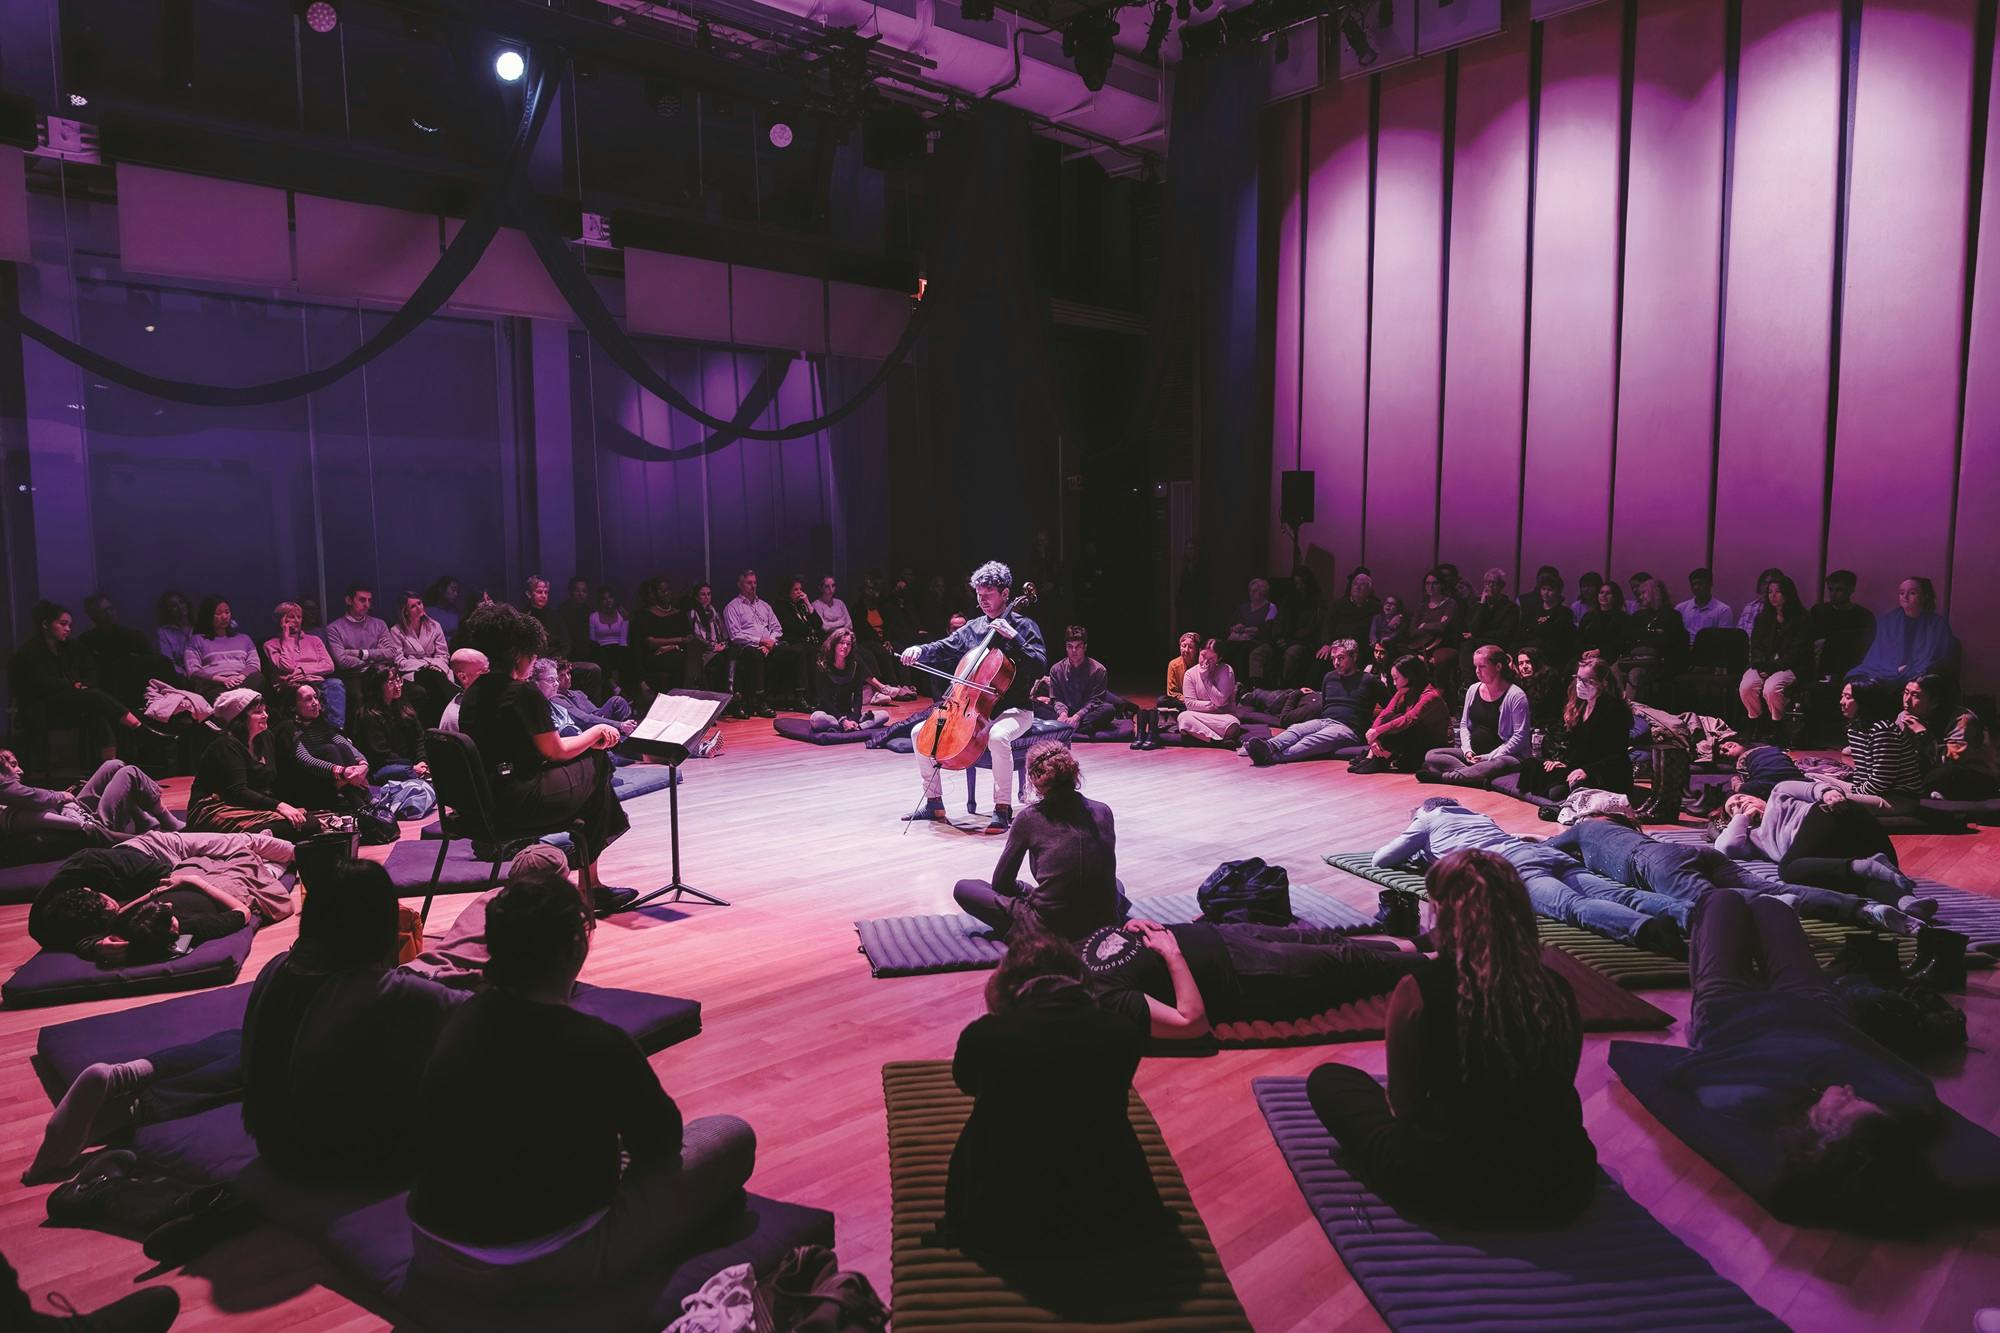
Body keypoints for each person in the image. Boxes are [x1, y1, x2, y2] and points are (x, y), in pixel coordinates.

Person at [408, 870, 755, 1289]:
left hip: (431, 1247)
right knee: (730, 1134)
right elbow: (662, 1146)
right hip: (542, 1261)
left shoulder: (459, 1017)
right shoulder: (597, 1043)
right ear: (576, 945)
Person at [1306, 850, 1597, 1227]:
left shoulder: (1421, 988)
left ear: (1444, 912)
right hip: (1560, 1190)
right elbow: (1561, 1086)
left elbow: (1405, 1107)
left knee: (1329, 1081)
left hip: (1448, 1188)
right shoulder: (1557, 990)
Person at [1661, 890, 1945, 1232]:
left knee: (1721, 901)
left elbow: (1696, 1071)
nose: (1852, 1089)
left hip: (1730, 1013)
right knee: (1772, 907)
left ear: (1823, 1136)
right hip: (1812, 1008)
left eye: (1848, 1103)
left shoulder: (1752, 1099)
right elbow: (1916, 1093)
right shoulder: (1902, 1105)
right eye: (1864, 1099)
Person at [943, 927, 1174, 1256]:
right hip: (1105, 1208)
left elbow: (966, 1083)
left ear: (1006, 985)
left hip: (1000, 1211)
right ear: (1079, 978)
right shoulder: (1121, 1032)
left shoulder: (985, 1035)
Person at [242, 857, 467, 1188]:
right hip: (348, 1165)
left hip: (272, 1148)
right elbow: (485, 1017)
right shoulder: (383, 991)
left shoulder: (275, 967)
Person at [456, 603, 632, 913]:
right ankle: (591, 887)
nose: (534, 660)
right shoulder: (522, 693)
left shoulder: (473, 692)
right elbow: (556, 750)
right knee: (598, 764)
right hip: (518, 803)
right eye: (533, 655)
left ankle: (592, 885)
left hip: (482, 804)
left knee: (591, 778)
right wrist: (597, 732)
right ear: (517, 654)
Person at [1376, 797, 1686, 953]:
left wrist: (1420, 853)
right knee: (1620, 894)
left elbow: (1382, 858)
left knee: (1572, 906)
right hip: (1545, 854)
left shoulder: (1426, 819)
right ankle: (1692, 915)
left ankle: (1647, 930)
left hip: (1516, 866)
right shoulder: (1478, 816)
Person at [1550, 812, 1919, 936]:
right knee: (1767, 883)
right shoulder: (1626, 830)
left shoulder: (1583, 829)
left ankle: (1772, 906)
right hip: (1689, 851)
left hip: (1652, 864)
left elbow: (1548, 848)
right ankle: (1864, 910)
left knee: (1713, 903)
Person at [1077, 914, 1420, 1041]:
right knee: (1345, 961)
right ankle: (1440, 962)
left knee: (1327, 940)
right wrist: (1171, 954)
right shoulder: (1100, 997)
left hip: (1224, 936)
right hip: (1244, 974)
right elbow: (1189, 1022)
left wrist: (1129, 926)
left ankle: (1416, 946)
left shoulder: (1068, 950)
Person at [900, 561, 1048, 831]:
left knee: (997, 735)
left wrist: (1014, 638)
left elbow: (1040, 664)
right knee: (918, 733)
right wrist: (919, 650)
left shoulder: (1025, 626)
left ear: (1005, 593)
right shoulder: (975, 627)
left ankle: (1002, 808)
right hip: (972, 709)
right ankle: (934, 803)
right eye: (979, 596)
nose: (982, 601)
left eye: (988, 595)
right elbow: (946, 646)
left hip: (1014, 710)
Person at [29, 826, 294, 957]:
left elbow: (170, 878)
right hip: (189, 883)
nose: (116, 910)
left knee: (242, 843)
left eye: (111, 904)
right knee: (245, 867)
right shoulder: (51, 923)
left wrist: (193, 880)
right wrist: (96, 947)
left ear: (92, 889)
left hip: (161, 851)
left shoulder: (101, 863)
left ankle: (303, 853)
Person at [953, 742, 1123, 940]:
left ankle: (1040, 909)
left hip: (1050, 927)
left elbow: (1001, 884)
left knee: (964, 888)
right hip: (1103, 921)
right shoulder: (1103, 811)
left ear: (1034, 780)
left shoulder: (1029, 818)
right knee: (1115, 884)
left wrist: (1024, 891)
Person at [1714, 783, 1928, 906]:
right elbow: (1726, 848)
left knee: (1787, 870)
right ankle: (1905, 902)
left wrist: (1828, 793)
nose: (1740, 803)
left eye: (1741, 798)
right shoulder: (1752, 837)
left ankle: (1867, 866)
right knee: (1849, 878)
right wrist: (1741, 818)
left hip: (1835, 815)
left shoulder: (1777, 794)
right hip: (1833, 849)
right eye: (1734, 807)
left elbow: (1812, 789)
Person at [7, 601, 145, 757]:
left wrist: (83, 685)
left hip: (71, 702)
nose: (68, 629)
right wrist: (74, 686)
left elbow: (92, 671)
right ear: (45, 624)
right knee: (94, 697)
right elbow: (43, 683)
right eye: (63, 624)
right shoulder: (29, 652)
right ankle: (138, 726)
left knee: (97, 712)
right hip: (43, 706)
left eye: (69, 625)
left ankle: (110, 766)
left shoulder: (73, 647)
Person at [187, 689, 313, 837]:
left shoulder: (266, 738)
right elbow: (238, 791)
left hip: (247, 805)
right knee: (294, 827)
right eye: (258, 712)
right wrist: (279, 806)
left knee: (308, 822)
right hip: (215, 807)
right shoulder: (226, 745)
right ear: (239, 718)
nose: (265, 715)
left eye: (265, 710)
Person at [1244, 639, 1383, 766]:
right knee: (1296, 729)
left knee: (1311, 740)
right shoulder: (1329, 677)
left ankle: (1272, 758)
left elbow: (1390, 706)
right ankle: (1268, 746)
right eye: (1333, 659)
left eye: (1341, 658)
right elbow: (1325, 704)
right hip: (1324, 721)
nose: (1336, 663)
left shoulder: (1369, 680)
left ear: (1354, 657)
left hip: (1348, 729)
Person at [0, 749, 178, 845]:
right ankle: (167, 820)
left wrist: (65, 801)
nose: (20, 771)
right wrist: (62, 798)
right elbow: (75, 824)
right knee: (129, 773)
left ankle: (144, 819)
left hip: (79, 813)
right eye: (14, 765)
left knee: (113, 765)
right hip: (95, 826)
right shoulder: (14, 809)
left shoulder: (12, 803)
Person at [1419, 644, 1530, 786]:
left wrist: (1489, 756)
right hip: (1475, 756)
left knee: (1498, 764)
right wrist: (1467, 751)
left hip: (1504, 756)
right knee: (1432, 755)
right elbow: (1464, 724)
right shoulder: (1473, 689)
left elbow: (1519, 737)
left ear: (1498, 666)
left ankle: (1446, 778)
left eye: (1482, 666)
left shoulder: (1515, 695)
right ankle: (1473, 775)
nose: (1477, 671)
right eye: (1475, 666)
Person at [1529, 657, 1632, 801]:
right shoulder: (1579, 704)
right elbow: (1569, 740)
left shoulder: (1615, 710)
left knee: (1557, 792)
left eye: (1588, 681)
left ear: (1603, 683)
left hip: (1604, 770)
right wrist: (1559, 759)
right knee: (1532, 769)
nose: (1580, 684)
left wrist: (1587, 771)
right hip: (1579, 765)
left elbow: (1616, 754)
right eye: (1578, 678)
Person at [270, 681, 373, 812]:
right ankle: (359, 802)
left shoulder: (320, 722)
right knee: (329, 749)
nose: (315, 703)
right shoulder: (286, 728)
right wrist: (342, 772)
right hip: (301, 787)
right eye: (308, 699)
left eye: (315, 697)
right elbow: (305, 760)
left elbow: (344, 743)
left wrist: (363, 765)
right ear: (292, 707)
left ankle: (360, 799)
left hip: (330, 780)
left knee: (342, 747)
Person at [1901, 675, 1999, 800]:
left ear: (1934, 702)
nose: (1907, 700)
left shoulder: (1962, 720)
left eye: (1916, 696)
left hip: (1972, 776)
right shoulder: (1905, 716)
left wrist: (1923, 734)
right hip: (1933, 771)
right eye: (1906, 693)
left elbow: (1952, 760)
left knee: (1944, 774)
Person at [1739, 574, 1812, 739]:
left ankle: (1777, 726)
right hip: (1763, 664)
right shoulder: (1763, 617)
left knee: (1772, 688)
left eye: (1778, 592)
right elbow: (1755, 645)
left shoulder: (1801, 618)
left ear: (1788, 593)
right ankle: (1755, 722)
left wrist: (1774, 667)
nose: (1773, 595)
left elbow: (1798, 651)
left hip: (1791, 666)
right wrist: (1761, 665)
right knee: (1747, 686)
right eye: (1770, 592)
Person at [1350, 655, 1450, 774]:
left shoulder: (1430, 696)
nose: (1393, 682)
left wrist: (1377, 731)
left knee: (1404, 723)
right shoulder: (1403, 691)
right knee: (1390, 717)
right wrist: (1374, 733)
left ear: (1409, 677)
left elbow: (1409, 719)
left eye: (1396, 678)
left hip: (1433, 745)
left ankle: (1381, 759)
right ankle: (1372, 756)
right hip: (1414, 742)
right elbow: (1385, 712)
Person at [1849, 576, 1956, 686]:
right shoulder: (1888, 621)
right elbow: (1878, 654)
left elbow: (1936, 659)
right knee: (1857, 675)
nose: (1905, 597)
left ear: (1925, 596)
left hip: (1919, 673)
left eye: (1912, 593)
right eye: (1901, 593)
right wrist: (1895, 669)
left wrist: (1908, 669)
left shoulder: (1937, 625)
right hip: (1888, 670)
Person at [1834, 681, 1924, 807]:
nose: (1841, 702)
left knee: (1831, 800)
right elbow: (1862, 773)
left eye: (1848, 697)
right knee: (1812, 779)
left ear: (1863, 702)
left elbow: (1882, 780)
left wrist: (1855, 793)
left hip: (1898, 796)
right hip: (1871, 791)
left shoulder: (1882, 730)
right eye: (1842, 696)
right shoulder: (1854, 730)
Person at [78, 591, 170, 709]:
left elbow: (152, 662)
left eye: (110, 609)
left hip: (139, 688)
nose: (109, 613)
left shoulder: (133, 635)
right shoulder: (86, 641)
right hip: (110, 691)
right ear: (93, 616)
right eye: (103, 611)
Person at [722, 569, 793, 718]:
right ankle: (760, 701)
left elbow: (777, 628)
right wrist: (760, 641)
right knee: (755, 655)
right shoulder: (733, 607)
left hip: (768, 646)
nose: (753, 586)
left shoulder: (764, 606)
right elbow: (735, 635)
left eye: (755, 582)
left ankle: (795, 697)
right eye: (749, 583)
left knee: (788, 652)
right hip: (745, 648)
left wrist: (770, 643)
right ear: (740, 585)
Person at [265, 600, 346, 729]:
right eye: (291, 617)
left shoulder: (314, 640)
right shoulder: (271, 645)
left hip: (316, 682)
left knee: (335, 684)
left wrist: (302, 670)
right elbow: (287, 667)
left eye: (299, 617)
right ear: (281, 620)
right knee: (304, 692)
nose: (296, 620)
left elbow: (329, 665)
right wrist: (287, 638)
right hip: (290, 686)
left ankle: (335, 730)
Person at [349, 667, 430, 783]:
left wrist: (422, 761)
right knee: (406, 772)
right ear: (377, 687)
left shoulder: (402, 705)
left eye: (398, 679)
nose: (397, 685)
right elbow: (380, 755)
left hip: (411, 764)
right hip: (384, 767)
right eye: (391, 682)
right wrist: (412, 767)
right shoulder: (367, 716)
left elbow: (419, 738)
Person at [1034, 625, 1117, 736]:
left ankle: (1065, 727)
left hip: (1086, 713)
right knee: (1035, 706)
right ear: (1066, 647)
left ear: (1085, 647)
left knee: (1109, 710)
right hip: (1066, 711)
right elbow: (1056, 698)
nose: (1074, 650)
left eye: (1078, 647)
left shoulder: (1099, 670)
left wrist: (1077, 716)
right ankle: (1081, 727)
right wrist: (1063, 714)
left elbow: (1095, 701)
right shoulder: (1056, 669)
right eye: (1070, 646)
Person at [387, 591, 455, 726]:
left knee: (435, 677)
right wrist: (425, 665)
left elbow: (443, 654)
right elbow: (399, 661)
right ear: (405, 611)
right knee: (432, 675)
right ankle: (456, 700)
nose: (419, 607)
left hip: (438, 669)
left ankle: (440, 724)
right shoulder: (396, 631)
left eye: (420, 603)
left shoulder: (435, 626)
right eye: (413, 606)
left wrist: (434, 665)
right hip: (413, 672)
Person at [809, 628, 892, 733]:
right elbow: (825, 700)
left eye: (848, 644)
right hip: (830, 714)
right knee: (817, 719)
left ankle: (854, 726)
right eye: (842, 643)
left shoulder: (855, 665)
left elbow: (858, 697)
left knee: (884, 715)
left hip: (849, 714)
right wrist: (842, 721)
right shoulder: (823, 665)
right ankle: (850, 726)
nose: (845, 646)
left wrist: (853, 719)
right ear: (834, 644)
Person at [631, 576, 695, 695]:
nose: (666, 593)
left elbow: (689, 636)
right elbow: (651, 642)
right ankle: (673, 697)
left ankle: (689, 694)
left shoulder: (678, 614)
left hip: (677, 651)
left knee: (687, 656)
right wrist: (678, 640)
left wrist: (672, 646)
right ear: (655, 594)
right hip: (656, 655)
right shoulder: (646, 615)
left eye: (668, 590)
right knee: (677, 659)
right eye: (662, 591)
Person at [1811, 570, 1875, 685]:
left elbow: (1865, 649)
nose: (1833, 594)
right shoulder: (1819, 611)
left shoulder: (1863, 616)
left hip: (1850, 668)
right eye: (1830, 589)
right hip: (1821, 666)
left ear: (1851, 590)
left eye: (1839, 590)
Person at [1174, 638, 1242, 745]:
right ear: (1199, 651)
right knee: (1183, 717)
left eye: (1211, 659)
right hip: (1199, 716)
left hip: (1223, 718)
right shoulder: (1190, 674)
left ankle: (1202, 737)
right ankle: (1216, 742)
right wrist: (1213, 705)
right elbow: (1190, 705)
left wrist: (1206, 679)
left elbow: (1219, 701)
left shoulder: (1226, 670)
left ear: (1219, 659)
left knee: (1232, 724)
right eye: (1203, 656)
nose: (1205, 661)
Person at [1408, 569, 1465, 691]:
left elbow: (1442, 627)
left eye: (1435, 583)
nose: (1431, 587)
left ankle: (1441, 697)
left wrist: (1424, 626)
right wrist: (1434, 626)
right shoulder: (1422, 606)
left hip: (1445, 644)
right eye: (1428, 584)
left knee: (1441, 659)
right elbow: (1412, 631)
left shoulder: (1450, 603)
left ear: (1442, 585)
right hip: (1422, 645)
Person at [323, 582, 395, 678]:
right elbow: (342, 661)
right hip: (354, 676)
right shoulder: (334, 628)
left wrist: (360, 653)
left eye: (369, 600)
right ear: (349, 600)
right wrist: (375, 659)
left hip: (379, 675)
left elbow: (391, 653)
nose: (367, 605)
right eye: (362, 600)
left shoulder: (379, 624)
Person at [774, 577, 826, 704]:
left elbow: (818, 623)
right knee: (807, 652)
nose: (799, 592)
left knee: (821, 651)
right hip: (792, 642)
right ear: (788, 591)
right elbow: (794, 628)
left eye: (800, 589)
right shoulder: (781, 606)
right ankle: (804, 696)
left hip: (807, 642)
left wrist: (808, 603)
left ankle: (822, 694)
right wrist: (809, 627)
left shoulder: (802, 605)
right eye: (795, 589)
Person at [1220, 578, 1280, 686]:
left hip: (1259, 640)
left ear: (1262, 593)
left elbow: (1267, 628)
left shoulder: (1270, 607)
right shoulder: (1244, 607)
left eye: (1255, 591)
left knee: (1244, 651)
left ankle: (1247, 685)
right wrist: (1235, 627)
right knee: (1227, 648)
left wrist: (1247, 629)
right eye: (1250, 591)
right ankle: (1227, 681)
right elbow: (1233, 623)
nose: (1251, 594)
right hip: (1241, 638)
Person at [1320, 570, 1381, 663]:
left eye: (1362, 585)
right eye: (1355, 584)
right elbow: (1328, 626)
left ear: (1369, 590)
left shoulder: (1375, 607)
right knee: (1320, 660)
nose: (1358, 587)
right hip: (1337, 645)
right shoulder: (1338, 604)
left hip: (1361, 648)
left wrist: (1399, 616)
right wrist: (1326, 644)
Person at [1464, 568, 1520, 652]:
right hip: (1478, 642)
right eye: (1487, 583)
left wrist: (1478, 635)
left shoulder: (1510, 607)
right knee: (1466, 645)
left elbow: (1505, 633)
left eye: (1493, 583)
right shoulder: (1477, 605)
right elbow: (1473, 629)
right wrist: (1482, 605)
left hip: (1497, 643)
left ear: (1502, 585)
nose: (1490, 586)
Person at [1521, 576, 1575, 661]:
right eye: (1543, 589)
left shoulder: (1564, 613)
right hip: (1528, 649)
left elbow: (1557, 639)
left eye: (1550, 590)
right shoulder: (1532, 610)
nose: (1545, 593)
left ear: (1558, 592)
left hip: (1550, 654)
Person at [1575, 578, 1630, 661]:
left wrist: (1600, 651)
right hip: (1586, 656)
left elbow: (1620, 642)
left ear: (1615, 596)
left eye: (1608, 593)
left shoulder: (1623, 618)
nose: (1603, 596)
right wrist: (1583, 652)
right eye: (1601, 592)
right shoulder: (1589, 616)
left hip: (1609, 657)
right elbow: (1579, 639)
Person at [437, 648, 487, 735]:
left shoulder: (472, 699)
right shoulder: (458, 714)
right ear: (463, 677)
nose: (490, 674)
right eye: (484, 671)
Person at [1676, 567, 1734, 634]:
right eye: (1693, 585)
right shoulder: (1680, 608)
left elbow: (1723, 639)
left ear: (1710, 584)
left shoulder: (1723, 610)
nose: (1696, 587)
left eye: (1700, 584)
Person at [154, 589, 196, 679]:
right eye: (174, 606)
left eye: (181, 602)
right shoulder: (164, 632)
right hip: (182, 677)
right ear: (168, 610)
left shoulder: (199, 626)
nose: (180, 607)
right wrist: (185, 674)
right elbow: (168, 661)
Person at [1737, 568, 1783, 634]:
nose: (1766, 587)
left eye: (1770, 584)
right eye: (1764, 583)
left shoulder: (1784, 609)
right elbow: (1739, 636)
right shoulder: (1750, 607)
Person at [587, 586, 628, 661]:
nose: (608, 601)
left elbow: (623, 640)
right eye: (604, 599)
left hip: (618, 649)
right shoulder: (593, 617)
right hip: (601, 650)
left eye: (610, 597)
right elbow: (592, 640)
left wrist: (626, 620)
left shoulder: (621, 614)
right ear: (600, 601)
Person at [1163, 630, 1199, 713]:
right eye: (1184, 646)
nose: (1186, 650)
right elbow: (1171, 692)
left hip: (1198, 701)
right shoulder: (1173, 664)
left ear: (1196, 650)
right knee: (1162, 700)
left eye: (1190, 647)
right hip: (1182, 701)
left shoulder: (1201, 664)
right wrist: (1187, 699)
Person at [1368, 593, 1410, 663]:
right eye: (1386, 603)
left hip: (1393, 648)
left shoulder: (1401, 620)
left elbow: (1396, 635)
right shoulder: (1377, 618)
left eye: (1392, 604)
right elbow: (1372, 634)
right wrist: (1374, 641)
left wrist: (1386, 638)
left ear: (1398, 607)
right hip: (1378, 646)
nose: (1388, 605)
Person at [424, 574, 464, 642]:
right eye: (453, 590)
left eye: (457, 591)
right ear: (441, 589)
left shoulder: (455, 615)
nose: (456, 594)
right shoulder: (428, 612)